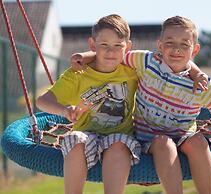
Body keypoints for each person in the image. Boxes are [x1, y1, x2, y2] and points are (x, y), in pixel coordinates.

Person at [70, 15, 211, 194]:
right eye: (169, 43)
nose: (176, 49)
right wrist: (85, 56)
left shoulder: (201, 84)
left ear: (194, 50)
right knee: (164, 143)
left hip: (183, 134)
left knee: (199, 141)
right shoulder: (146, 62)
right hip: (148, 139)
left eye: (184, 45)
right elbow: (114, 53)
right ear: (159, 45)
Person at [36, 14, 142, 194]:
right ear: (92, 44)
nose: (111, 52)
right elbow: (42, 101)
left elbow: (166, 64)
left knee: (118, 144)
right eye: (104, 45)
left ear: (127, 47)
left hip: (120, 137)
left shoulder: (133, 71)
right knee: (75, 138)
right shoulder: (78, 74)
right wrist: (65, 110)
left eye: (118, 46)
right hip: (87, 135)